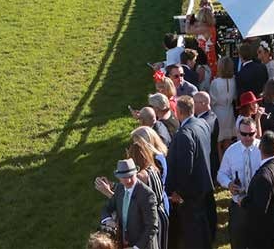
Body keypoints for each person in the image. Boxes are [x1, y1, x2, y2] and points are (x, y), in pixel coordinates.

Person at [165, 95, 214, 248]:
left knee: (194, 233)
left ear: (178, 111)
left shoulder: (184, 134)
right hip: (205, 182)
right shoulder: (203, 123)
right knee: (205, 226)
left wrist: (178, 191)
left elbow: (186, 167)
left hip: (191, 192)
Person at [238, 131, 274, 249]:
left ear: (259, 147)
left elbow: (258, 210)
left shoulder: (263, 176)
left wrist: (242, 200)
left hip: (266, 236)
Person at [217, 115, 261, 249]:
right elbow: (221, 174)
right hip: (239, 203)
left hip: (259, 203)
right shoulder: (231, 151)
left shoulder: (263, 149)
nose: (248, 137)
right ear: (238, 133)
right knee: (238, 241)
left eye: (251, 134)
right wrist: (229, 184)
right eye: (244, 134)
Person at [96, 158, 160, 249]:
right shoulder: (120, 189)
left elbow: (152, 227)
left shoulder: (147, 195)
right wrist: (108, 220)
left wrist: (136, 247)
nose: (128, 180)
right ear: (118, 177)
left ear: (136, 174)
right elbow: (107, 207)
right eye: (124, 177)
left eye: (131, 176)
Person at [209, 57, 237, 156]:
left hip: (218, 112)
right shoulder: (233, 80)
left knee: (218, 142)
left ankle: (221, 165)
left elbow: (212, 100)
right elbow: (234, 97)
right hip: (229, 111)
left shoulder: (216, 82)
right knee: (228, 141)